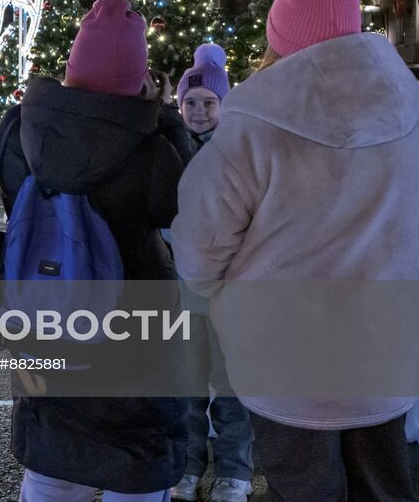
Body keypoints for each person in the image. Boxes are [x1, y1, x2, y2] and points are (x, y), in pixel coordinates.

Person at [173, 0, 419, 501]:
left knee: (305, 487)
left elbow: (199, 253)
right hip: (388, 345)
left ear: (280, 37)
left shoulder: (251, 127)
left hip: (286, 356)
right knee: (383, 484)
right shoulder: (416, 111)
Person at [0, 0, 187, 502]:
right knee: (135, 469)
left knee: (53, 465)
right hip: (136, 337)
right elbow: (184, 208)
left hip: (46, 323)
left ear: (73, 63)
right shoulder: (149, 149)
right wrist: (163, 116)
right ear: (138, 73)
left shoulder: (24, 131)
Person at [168, 44, 253, 502]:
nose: (199, 112)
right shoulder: (171, 150)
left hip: (228, 293)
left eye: (208, 103)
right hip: (184, 294)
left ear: (224, 105)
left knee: (232, 386)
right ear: (179, 105)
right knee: (187, 386)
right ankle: (187, 466)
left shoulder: (238, 153)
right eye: (190, 103)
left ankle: (234, 470)